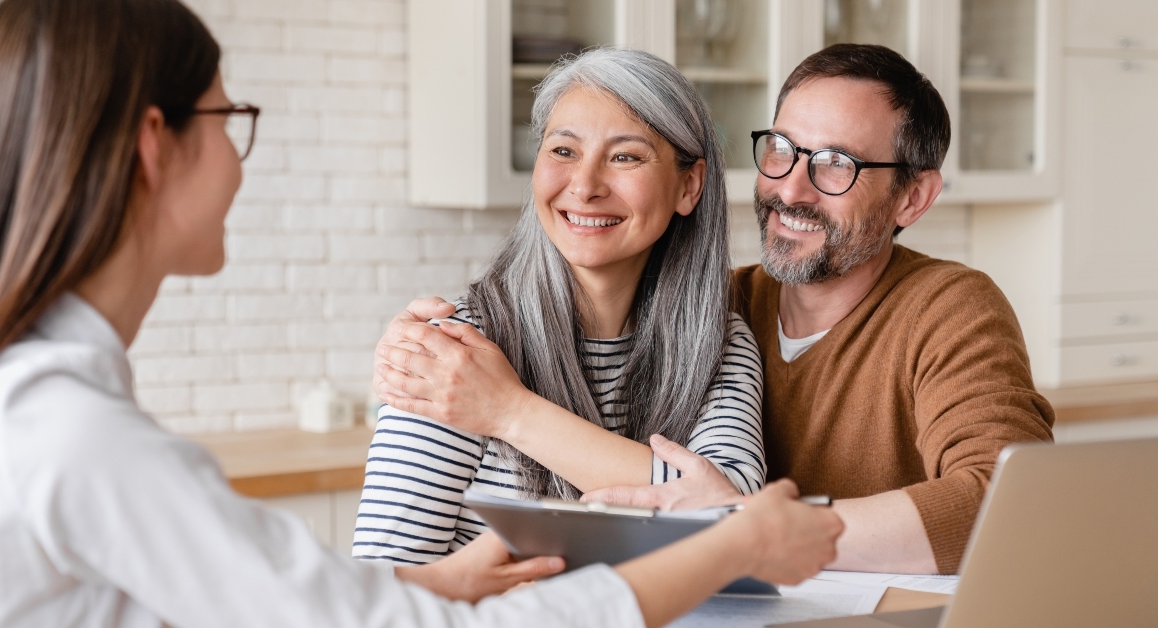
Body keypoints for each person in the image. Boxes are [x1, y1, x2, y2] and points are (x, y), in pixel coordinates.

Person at [0, 1, 844, 626]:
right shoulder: (70, 434)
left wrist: (447, 573)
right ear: (155, 147)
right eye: (231, 118)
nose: (239, 158)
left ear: (690, 184)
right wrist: (731, 543)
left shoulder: (43, 415)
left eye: (624, 156)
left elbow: (350, 610)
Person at [373, 44, 1055, 576]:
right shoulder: (725, 308)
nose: (792, 188)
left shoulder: (721, 331)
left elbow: (1009, 503)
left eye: (837, 164)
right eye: (783, 151)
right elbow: (381, 582)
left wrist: (746, 524)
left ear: (912, 198)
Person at [356, 48, 766, 564]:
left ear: (689, 185)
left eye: (625, 156)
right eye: (564, 151)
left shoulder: (719, 341)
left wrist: (510, 411)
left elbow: (732, 516)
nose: (586, 186)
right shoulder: (457, 354)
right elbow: (382, 586)